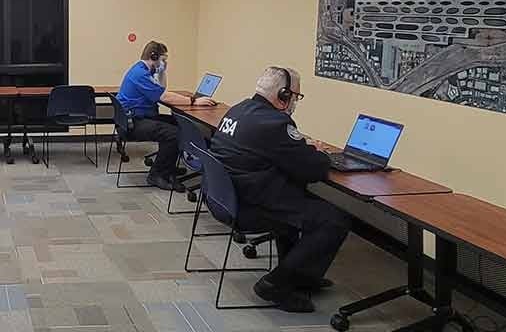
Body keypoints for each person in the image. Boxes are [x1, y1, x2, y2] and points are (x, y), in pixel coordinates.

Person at [210, 66, 350, 313]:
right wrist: (317, 152)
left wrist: (298, 147)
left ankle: (300, 276)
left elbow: (269, 149)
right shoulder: (275, 123)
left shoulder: (238, 109)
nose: (295, 102)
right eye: (296, 96)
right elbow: (313, 170)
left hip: (224, 198)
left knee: (297, 204)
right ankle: (276, 284)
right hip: (248, 205)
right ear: (283, 95)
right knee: (334, 220)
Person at [117, 40, 215, 191]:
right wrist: (193, 101)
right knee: (173, 134)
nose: (165, 62)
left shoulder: (144, 70)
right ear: (154, 56)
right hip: (134, 123)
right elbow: (164, 96)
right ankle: (157, 175)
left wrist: (162, 71)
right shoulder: (140, 74)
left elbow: (161, 89)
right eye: (163, 59)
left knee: (178, 124)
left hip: (139, 117)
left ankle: (167, 166)